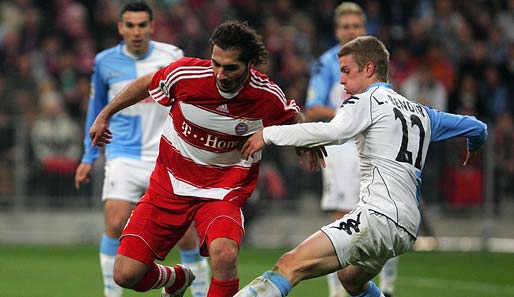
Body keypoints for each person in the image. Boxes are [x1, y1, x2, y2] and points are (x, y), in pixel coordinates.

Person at [236, 36, 488, 297]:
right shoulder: (421, 111)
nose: (342, 80)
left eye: (346, 71)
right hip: (407, 225)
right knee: (351, 279)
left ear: (369, 69)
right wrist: (475, 144)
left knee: (290, 265)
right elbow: (477, 126)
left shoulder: (365, 101)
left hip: (378, 216)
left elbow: (333, 132)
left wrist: (267, 135)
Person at [88, 20, 306, 297]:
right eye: (216, 63)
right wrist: (105, 114)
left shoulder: (265, 95)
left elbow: (292, 116)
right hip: (168, 187)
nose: (220, 73)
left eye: (230, 68)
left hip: (222, 193)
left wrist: (304, 140)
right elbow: (147, 83)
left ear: (250, 64)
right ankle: (177, 279)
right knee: (126, 274)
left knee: (224, 256)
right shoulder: (187, 75)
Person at [73, 2, 210, 297]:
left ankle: (195, 289)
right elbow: (96, 109)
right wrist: (88, 155)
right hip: (124, 154)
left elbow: (189, 100)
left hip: (166, 156)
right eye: (130, 25)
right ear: (120, 27)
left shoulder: (172, 56)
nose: (136, 31)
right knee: (114, 220)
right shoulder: (104, 61)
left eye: (141, 25)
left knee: (186, 235)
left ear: (152, 26)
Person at [304, 3, 397, 296]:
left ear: (364, 28)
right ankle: (337, 293)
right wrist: (349, 117)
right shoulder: (326, 63)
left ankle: (389, 287)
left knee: (385, 214)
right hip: (342, 150)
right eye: (346, 27)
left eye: (356, 26)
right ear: (337, 30)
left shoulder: (376, 61)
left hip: (375, 145)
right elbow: (313, 108)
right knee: (342, 220)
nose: (351, 31)